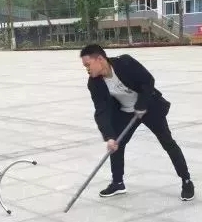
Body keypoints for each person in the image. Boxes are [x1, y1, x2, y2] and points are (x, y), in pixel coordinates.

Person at [80, 44, 195, 201]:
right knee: (116, 146)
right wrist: (109, 136)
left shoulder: (125, 63)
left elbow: (148, 81)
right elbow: (101, 111)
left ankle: (186, 180)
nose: (87, 69)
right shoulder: (94, 83)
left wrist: (141, 105)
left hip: (148, 108)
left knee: (167, 142)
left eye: (88, 64)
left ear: (99, 59)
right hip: (126, 113)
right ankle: (118, 183)